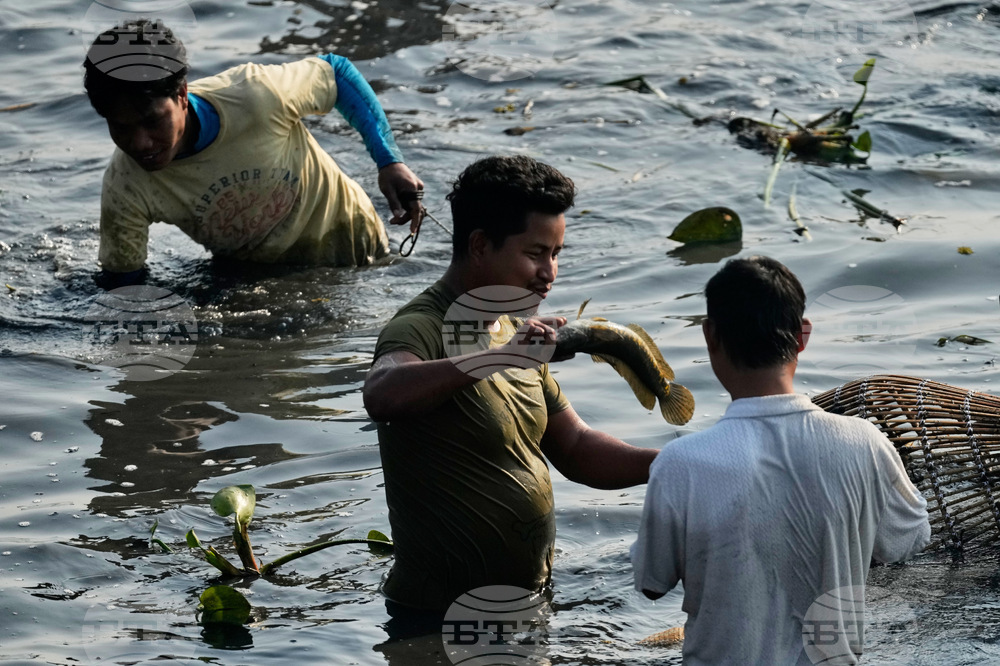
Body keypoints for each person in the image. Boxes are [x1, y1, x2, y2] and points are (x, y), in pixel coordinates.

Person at [363, 155, 661, 616]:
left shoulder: (516, 332)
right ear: (480, 245)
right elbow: (383, 393)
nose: (550, 273)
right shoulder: (421, 326)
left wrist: (675, 463)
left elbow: (577, 448)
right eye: (535, 253)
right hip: (435, 618)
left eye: (556, 253)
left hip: (528, 603)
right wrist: (500, 357)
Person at [631, 256, 930, 665]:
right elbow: (908, 539)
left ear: (710, 336)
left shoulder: (680, 463)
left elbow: (651, 583)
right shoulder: (866, 443)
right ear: (802, 336)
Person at [83, 19, 424, 286]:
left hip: (354, 247)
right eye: (121, 127)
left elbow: (336, 73)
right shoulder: (126, 185)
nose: (140, 143)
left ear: (182, 94)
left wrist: (389, 161)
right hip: (255, 276)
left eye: (152, 121)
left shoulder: (254, 96)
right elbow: (124, 281)